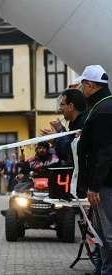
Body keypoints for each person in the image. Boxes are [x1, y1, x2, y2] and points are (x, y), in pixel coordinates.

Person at [75, 65, 112, 274]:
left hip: (105, 185)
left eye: (83, 84)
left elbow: (105, 152)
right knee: (99, 232)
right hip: (101, 184)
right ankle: (105, 269)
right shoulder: (101, 107)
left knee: (108, 234)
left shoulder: (104, 110)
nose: (81, 89)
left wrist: (95, 186)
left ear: (90, 84)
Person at [41, 88, 88, 166]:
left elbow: (73, 148)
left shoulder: (85, 123)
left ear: (70, 106)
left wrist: (55, 139)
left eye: (62, 104)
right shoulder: (75, 124)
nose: (60, 108)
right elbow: (66, 155)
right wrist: (59, 132)